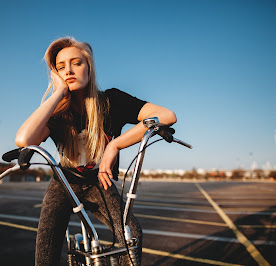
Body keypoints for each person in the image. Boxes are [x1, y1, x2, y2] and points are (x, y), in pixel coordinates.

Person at [15, 37, 177, 265]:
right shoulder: (57, 113)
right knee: (46, 249)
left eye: (76, 63)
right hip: (65, 183)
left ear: (89, 68)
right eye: (61, 67)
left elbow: (167, 116)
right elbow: (23, 140)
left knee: (131, 234)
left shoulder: (111, 101)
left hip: (101, 182)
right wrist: (57, 93)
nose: (69, 70)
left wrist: (115, 144)